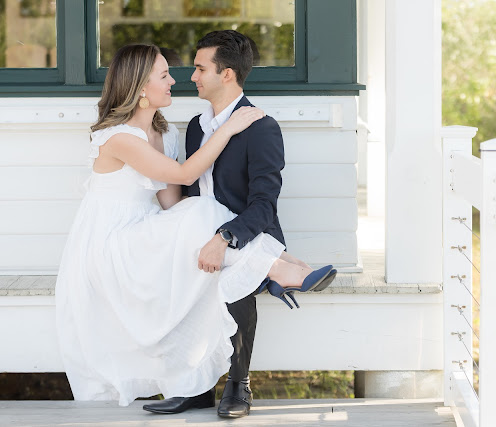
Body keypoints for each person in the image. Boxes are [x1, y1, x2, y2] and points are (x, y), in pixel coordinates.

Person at [54, 43, 334, 410]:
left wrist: (220, 242)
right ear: (140, 87)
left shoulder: (168, 134)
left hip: (145, 235)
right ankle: (279, 265)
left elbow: (173, 205)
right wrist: (230, 127)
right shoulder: (119, 137)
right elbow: (187, 175)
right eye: (164, 74)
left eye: (186, 70)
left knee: (202, 223)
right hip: (109, 247)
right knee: (202, 215)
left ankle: (218, 378)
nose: (177, 80)